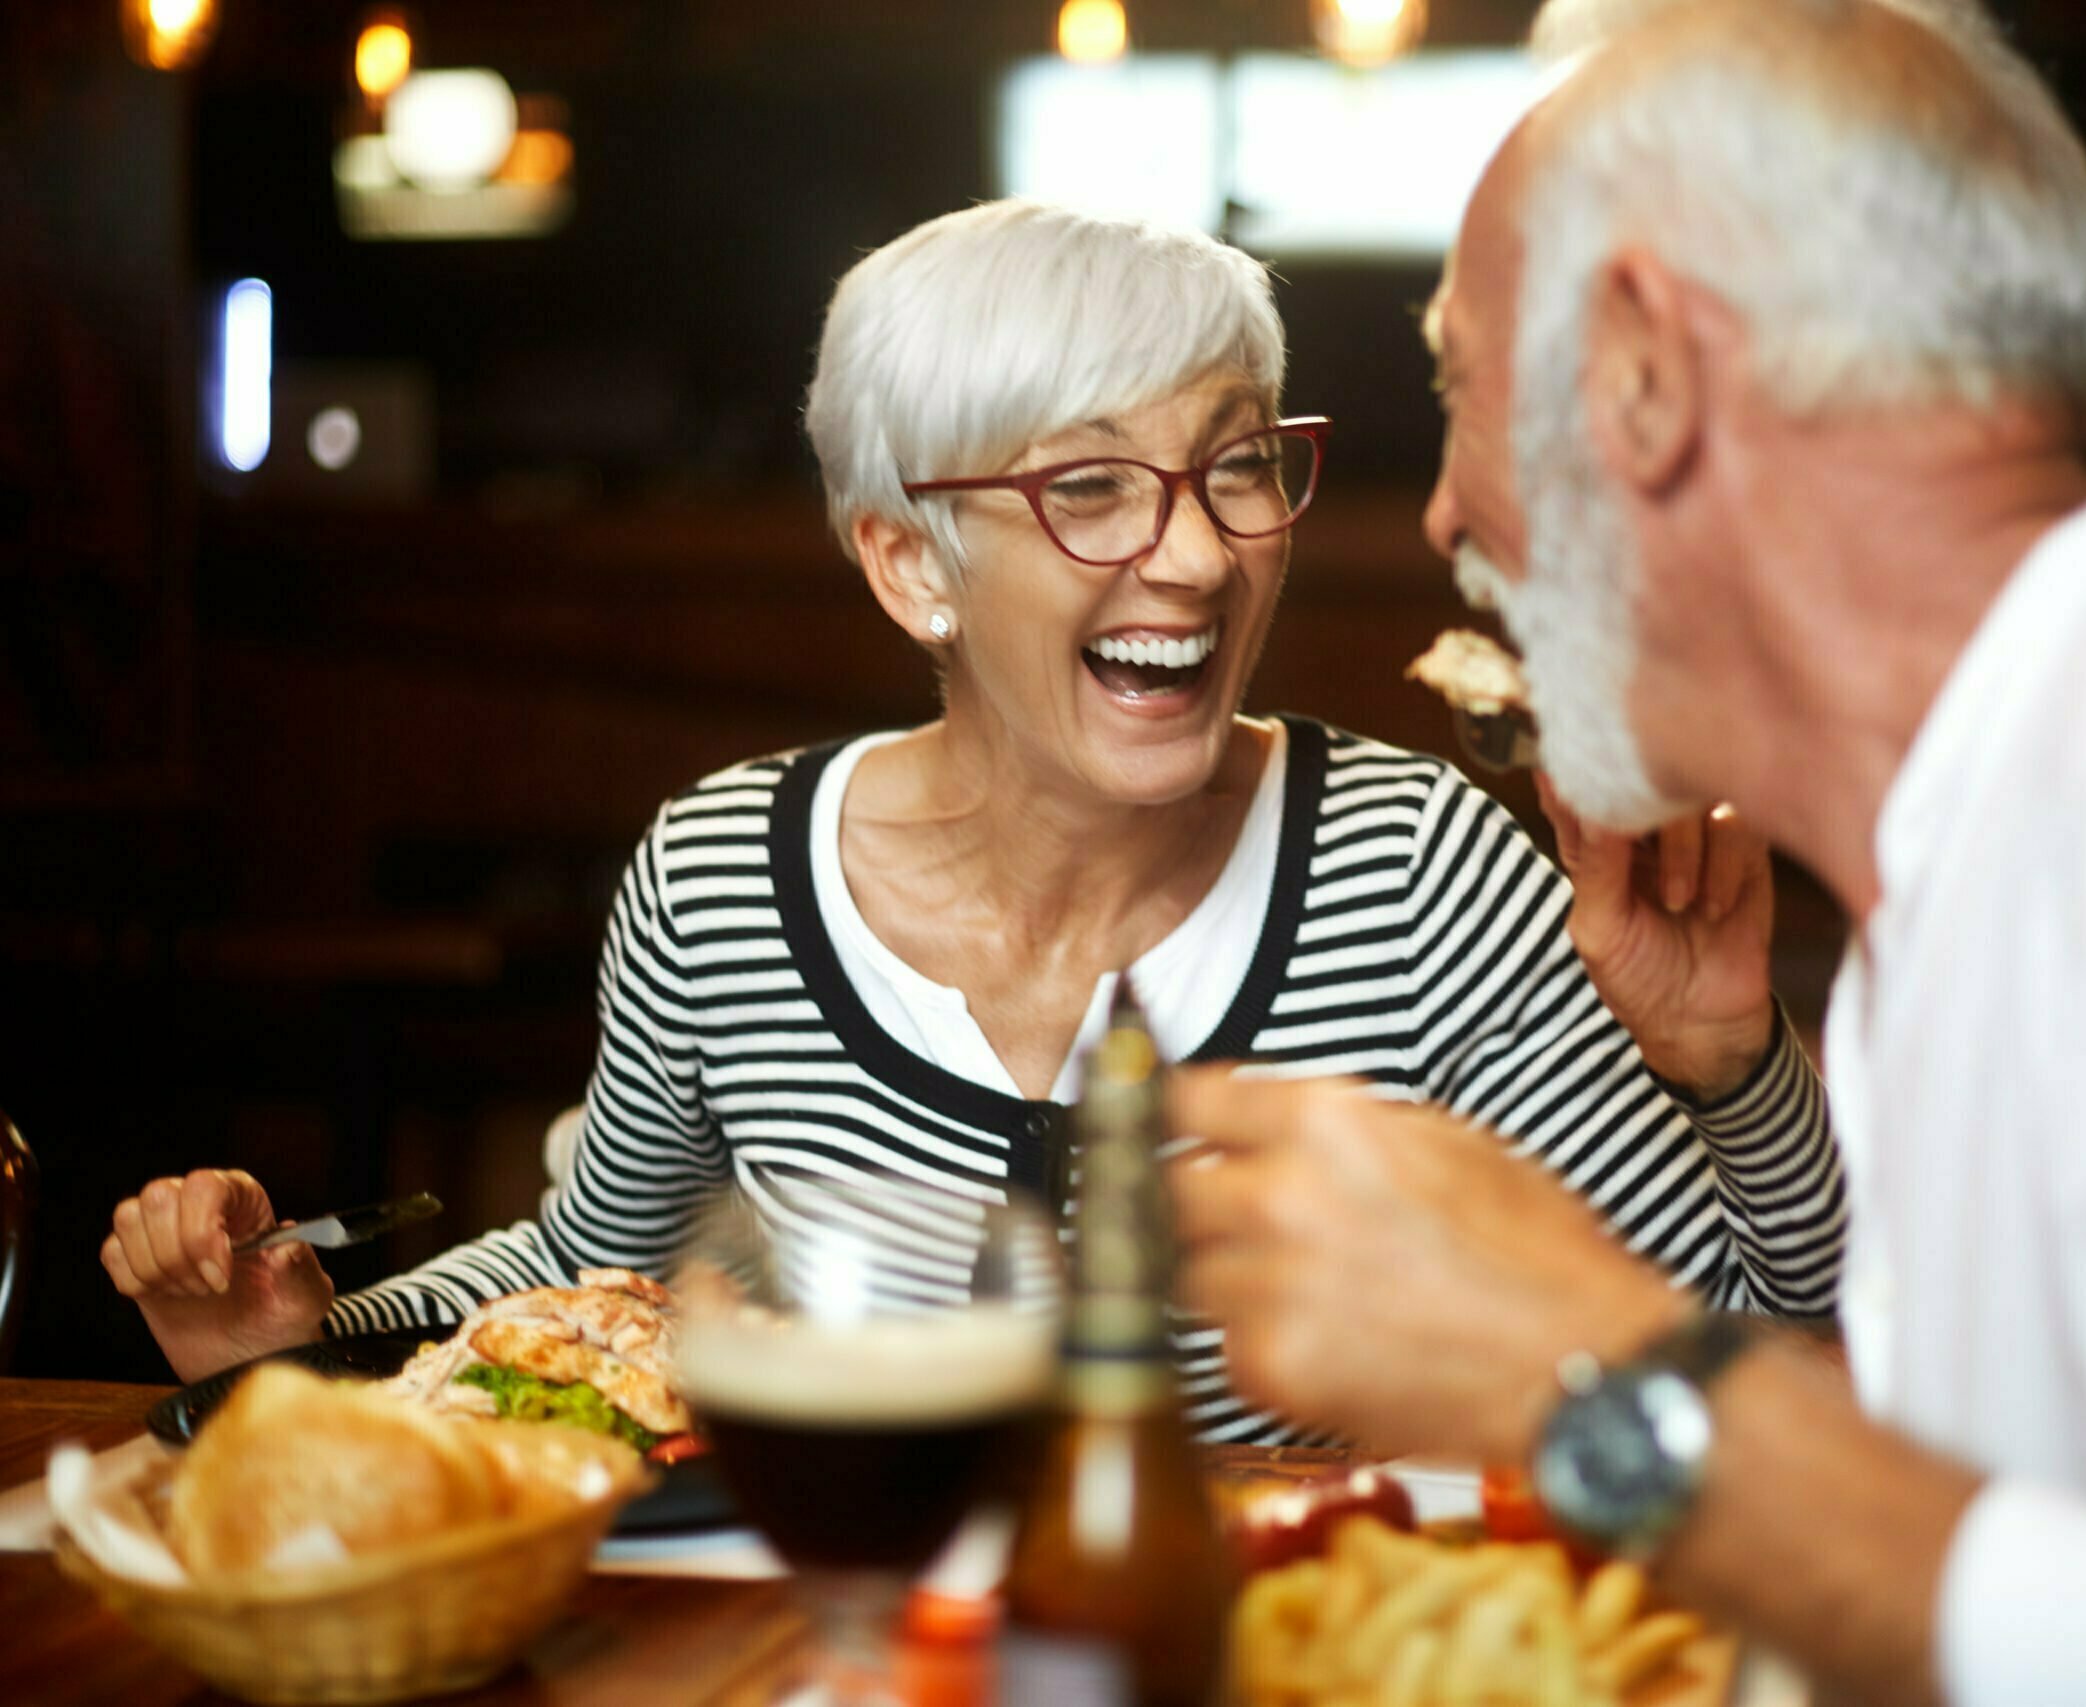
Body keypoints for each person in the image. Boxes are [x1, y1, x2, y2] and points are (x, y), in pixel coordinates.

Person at [1169, 0, 2086, 1698]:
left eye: (1462, 382)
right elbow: (1989, 1566)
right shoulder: (1973, 870)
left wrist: (1588, 1372)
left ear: (1644, 374)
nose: (1451, 512)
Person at [99, 200, 1846, 1445]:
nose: (1196, 550)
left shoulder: (1413, 874)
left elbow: (1738, 1354)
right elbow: (590, 1276)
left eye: (1238, 465)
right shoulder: (720, 881)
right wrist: (294, 1348)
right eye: (1089, 488)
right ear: (909, 562)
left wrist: (1729, 1066)